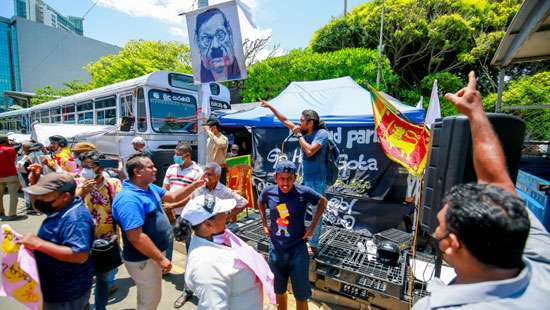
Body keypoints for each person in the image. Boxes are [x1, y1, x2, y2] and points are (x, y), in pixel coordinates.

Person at [413, 72, 550, 309]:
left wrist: (475, 112)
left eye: (440, 225)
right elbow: (498, 183)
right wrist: (475, 112)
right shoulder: (541, 263)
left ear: (452, 243)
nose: (435, 232)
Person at [112, 153, 204, 310]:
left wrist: (195, 185)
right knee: (150, 299)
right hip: (143, 260)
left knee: (150, 295)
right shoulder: (129, 199)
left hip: (151, 256)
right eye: (150, 167)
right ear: (137, 172)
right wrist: (160, 259)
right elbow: (136, 237)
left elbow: (172, 197)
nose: (155, 169)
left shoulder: (148, 187)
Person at [261, 100, 330, 254]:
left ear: (310, 122)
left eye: (302, 121)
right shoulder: (302, 133)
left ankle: (314, 244)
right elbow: (284, 120)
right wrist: (271, 106)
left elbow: (310, 151)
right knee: (299, 208)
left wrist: (299, 135)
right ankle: (299, 235)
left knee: (315, 209)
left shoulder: (322, 134)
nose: (299, 123)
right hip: (304, 178)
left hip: (318, 179)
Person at [182, 194, 274, 309]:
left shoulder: (217, 237)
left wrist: (255, 261)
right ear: (208, 224)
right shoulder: (207, 266)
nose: (227, 214)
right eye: (223, 213)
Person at [258, 160, 328, 310]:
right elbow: (260, 202)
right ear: (276, 177)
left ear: (295, 178)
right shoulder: (268, 192)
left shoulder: (304, 192)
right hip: (276, 250)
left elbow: (323, 202)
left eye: (289, 179)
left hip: (298, 251)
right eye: (282, 178)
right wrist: (264, 223)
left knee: (301, 295)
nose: (285, 183)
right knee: (279, 291)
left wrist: (312, 227)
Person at [20, 172, 95, 310]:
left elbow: (79, 255)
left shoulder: (75, 219)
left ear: (64, 196)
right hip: (54, 288)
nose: (40, 199)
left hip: (66, 294)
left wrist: (39, 244)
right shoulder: (62, 206)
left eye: (45, 195)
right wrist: (34, 183)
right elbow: (38, 206)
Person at [75, 151, 122, 310]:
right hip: (84, 238)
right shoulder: (77, 183)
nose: (84, 170)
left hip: (107, 238)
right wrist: (82, 192)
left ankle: (100, 306)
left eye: (89, 166)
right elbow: (69, 206)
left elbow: (120, 207)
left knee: (103, 278)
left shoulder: (113, 184)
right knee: (84, 278)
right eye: (83, 166)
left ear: (100, 169)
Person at [162, 142, 203, 267]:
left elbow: (192, 196)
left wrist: (173, 206)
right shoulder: (172, 168)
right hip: (169, 211)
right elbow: (165, 188)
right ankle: (166, 265)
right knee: (168, 240)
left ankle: (192, 268)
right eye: (175, 154)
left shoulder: (197, 171)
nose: (175, 156)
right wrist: (167, 205)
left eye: (178, 154)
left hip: (186, 213)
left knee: (188, 241)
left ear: (187, 155)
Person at [195, 8, 242, 83]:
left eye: (220, 35)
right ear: (198, 43)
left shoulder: (240, 73)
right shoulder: (197, 79)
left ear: (230, 35)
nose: (215, 45)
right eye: (206, 39)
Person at [0, 135, 20, 220]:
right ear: (6, 141)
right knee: (13, 195)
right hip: (11, 175)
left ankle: (1, 212)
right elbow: (14, 159)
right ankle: (12, 214)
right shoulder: (10, 149)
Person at [204, 116, 229, 184]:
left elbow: (219, 144)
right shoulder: (209, 139)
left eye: (209, 127)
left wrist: (210, 132)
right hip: (210, 169)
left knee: (220, 190)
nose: (207, 129)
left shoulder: (223, 138)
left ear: (214, 127)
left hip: (219, 169)